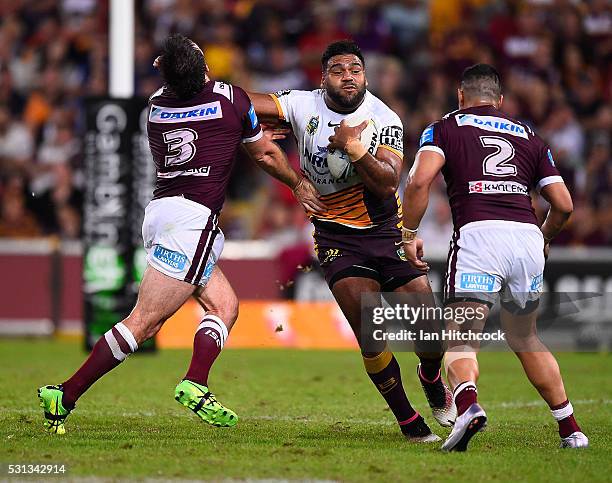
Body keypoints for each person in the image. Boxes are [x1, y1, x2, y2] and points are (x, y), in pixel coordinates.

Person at [37, 34, 324, 434]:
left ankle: (196, 382)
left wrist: (243, 128)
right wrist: (296, 182)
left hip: (161, 213)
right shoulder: (231, 99)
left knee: (224, 307)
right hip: (191, 221)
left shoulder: (155, 106)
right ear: (205, 68)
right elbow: (263, 152)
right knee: (144, 322)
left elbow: (208, 124)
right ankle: (64, 394)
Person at [248, 40, 455, 442]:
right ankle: (409, 422)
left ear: (365, 76)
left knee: (431, 332)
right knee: (369, 332)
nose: (348, 76)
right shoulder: (300, 105)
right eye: (338, 69)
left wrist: (353, 146)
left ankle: (430, 376)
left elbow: (386, 183)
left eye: (355, 69)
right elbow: (242, 104)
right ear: (323, 77)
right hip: (336, 235)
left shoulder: (383, 117)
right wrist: (217, 98)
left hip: (384, 231)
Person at [402, 63, 588, 451]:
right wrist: (544, 237)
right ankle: (571, 429)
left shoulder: (445, 127)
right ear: (500, 101)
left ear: (460, 96)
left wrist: (408, 233)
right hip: (525, 238)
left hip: (479, 236)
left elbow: (420, 180)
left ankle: (467, 405)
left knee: (461, 337)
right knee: (525, 335)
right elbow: (564, 205)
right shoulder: (530, 135)